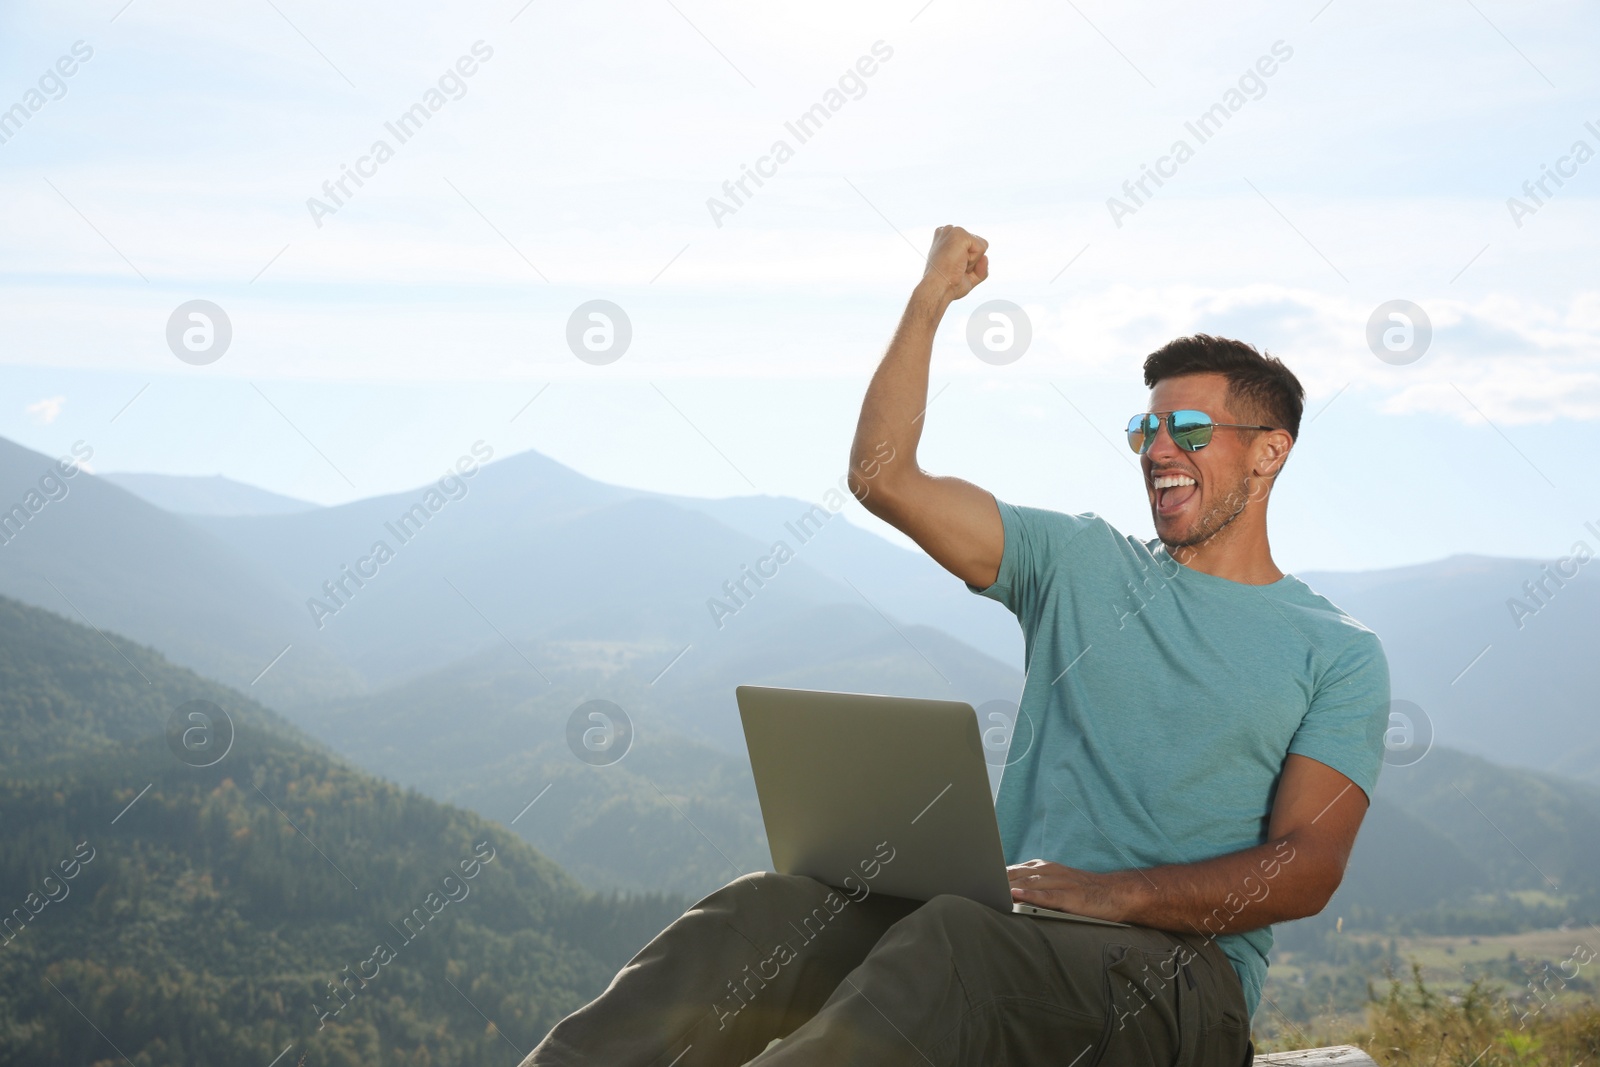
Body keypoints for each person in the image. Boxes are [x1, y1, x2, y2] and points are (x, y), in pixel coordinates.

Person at [519, 225, 1390, 1067]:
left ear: (1269, 453)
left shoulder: (1335, 652)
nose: (1159, 449)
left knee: (956, 944)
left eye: (1190, 431)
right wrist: (931, 298)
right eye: (1146, 430)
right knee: (763, 913)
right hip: (1006, 927)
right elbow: (883, 477)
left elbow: (1306, 868)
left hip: (1179, 982)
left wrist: (1111, 892)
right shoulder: (1079, 561)